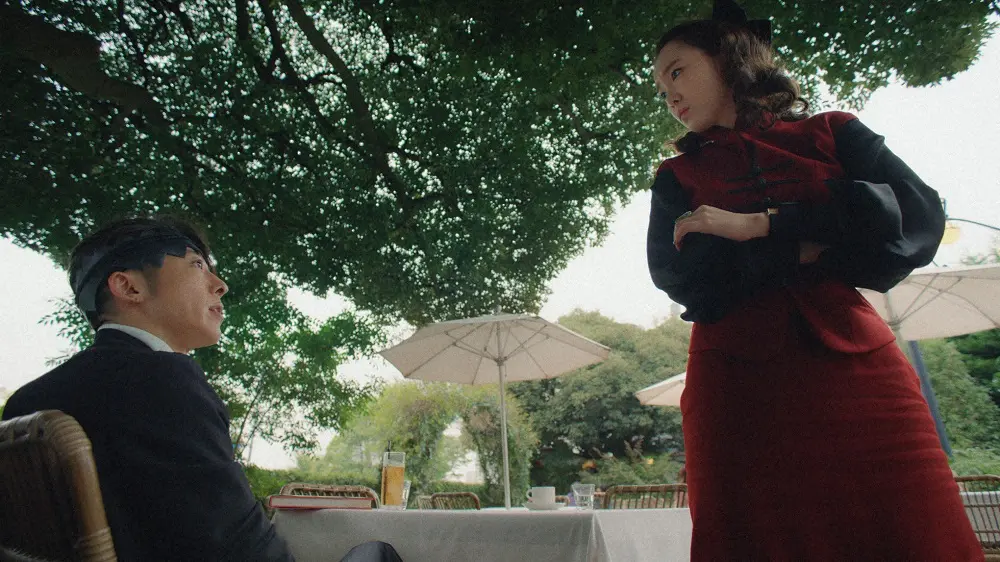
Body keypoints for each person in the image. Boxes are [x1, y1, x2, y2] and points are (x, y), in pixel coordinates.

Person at [646, 1, 983, 560]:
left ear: (727, 57)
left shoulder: (835, 131)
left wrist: (760, 225)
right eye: (661, 90)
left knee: (918, 531)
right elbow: (684, 277)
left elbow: (915, 215)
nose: (669, 96)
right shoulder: (675, 176)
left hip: (863, 373)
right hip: (737, 388)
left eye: (676, 72)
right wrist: (815, 242)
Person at [2, 217, 401, 562]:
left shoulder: (27, 404)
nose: (220, 285)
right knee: (377, 551)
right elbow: (241, 548)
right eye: (196, 265)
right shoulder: (164, 380)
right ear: (128, 287)